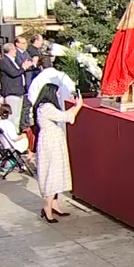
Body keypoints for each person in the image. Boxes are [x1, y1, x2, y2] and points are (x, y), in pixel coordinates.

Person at [32, 83, 84, 222]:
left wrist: (74, 107)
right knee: (53, 173)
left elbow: (64, 115)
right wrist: (78, 106)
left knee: (56, 171)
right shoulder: (47, 107)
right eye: (58, 93)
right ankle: (47, 207)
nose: (59, 95)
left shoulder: (43, 107)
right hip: (51, 142)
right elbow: (67, 118)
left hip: (51, 140)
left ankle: (54, 204)